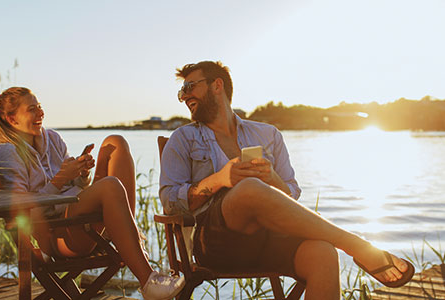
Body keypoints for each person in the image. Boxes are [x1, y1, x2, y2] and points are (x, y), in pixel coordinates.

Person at [159, 61, 414, 300]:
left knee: (323, 253)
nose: (184, 96)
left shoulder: (267, 134)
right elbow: (170, 202)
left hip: (269, 240)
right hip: (216, 245)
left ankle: (349, 246)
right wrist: (220, 179)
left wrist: (273, 179)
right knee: (248, 187)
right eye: (181, 92)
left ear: (217, 85)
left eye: (190, 87)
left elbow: (290, 197)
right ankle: (357, 245)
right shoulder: (183, 139)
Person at [0, 87, 184, 300]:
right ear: (11, 118)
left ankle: (130, 238)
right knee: (110, 186)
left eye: (40, 107)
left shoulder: (51, 139)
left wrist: (81, 173)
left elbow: (74, 184)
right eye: (32, 109)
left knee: (116, 143)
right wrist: (60, 178)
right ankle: (147, 281)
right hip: (57, 235)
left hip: (79, 219)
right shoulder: (7, 152)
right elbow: (22, 210)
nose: (40, 113)